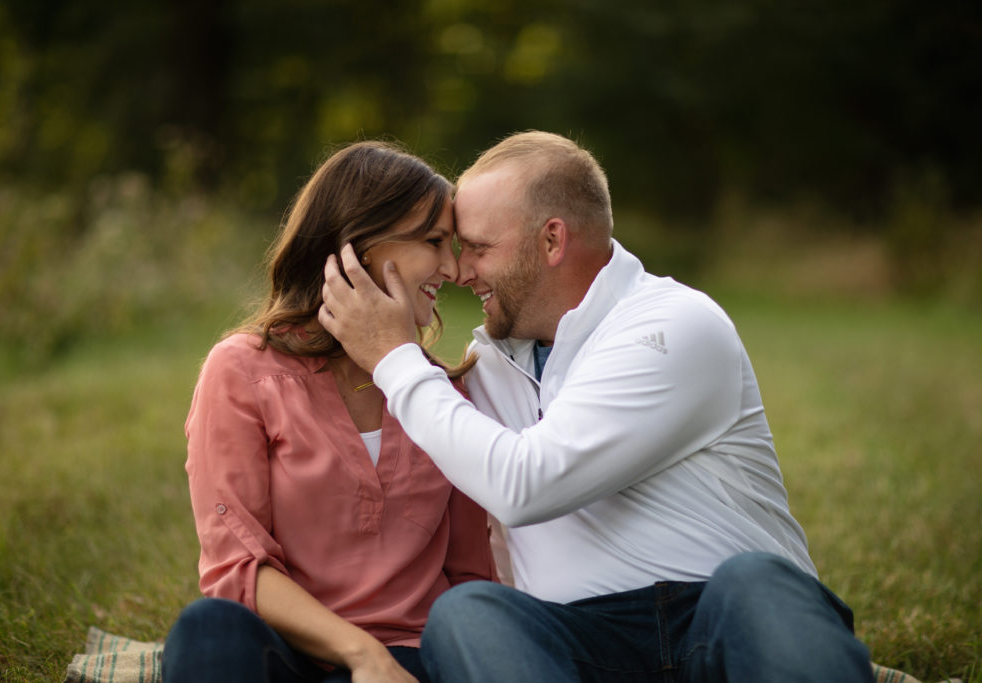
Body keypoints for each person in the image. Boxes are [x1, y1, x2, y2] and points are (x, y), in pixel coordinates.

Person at [318, 131, 874, 682]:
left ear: (552, 241)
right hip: (581, 648)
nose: (462, 272)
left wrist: (395, 358)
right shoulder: (482, 370)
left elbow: (525, 485)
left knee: (758, 581)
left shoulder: (673, 325)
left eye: (480, 248)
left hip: (723, 622)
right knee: (469, 614)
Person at [162, 141, 497, 683]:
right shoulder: (242, 372)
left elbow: (468, 578)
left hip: (415, 661)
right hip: (290, 651)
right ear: (359, 246)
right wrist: (363, 656)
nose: (454, 268)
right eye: (434, 242)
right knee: (208, 627)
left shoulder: (442, 395)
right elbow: (237, 568)